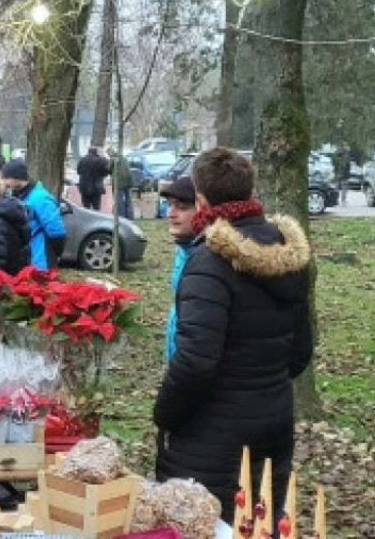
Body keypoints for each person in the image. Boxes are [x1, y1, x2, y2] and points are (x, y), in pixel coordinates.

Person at [153, 147, 313, 523]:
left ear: (202, 198)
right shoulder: (287, 253)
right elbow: (301, 349)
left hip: (213, 434)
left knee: (207, 524)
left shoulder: (208, 262)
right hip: (273, 417)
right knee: (259, 522)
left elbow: (195, 361)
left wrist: (165, 415)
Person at [0, 159, 66, 271]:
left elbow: (56, 232)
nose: (3, 181)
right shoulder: (16, 196)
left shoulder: (40, 198)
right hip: (24, 260)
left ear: (16, 177)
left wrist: (54, 255)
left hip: (40, 261)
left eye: (6, 177)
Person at [159, 176, 199, 363]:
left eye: (182, 207)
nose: (171, 213)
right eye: (169, 205)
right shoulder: (183, 249)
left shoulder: (207, 257)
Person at [76, 147, 111, 211]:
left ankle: (87, 219)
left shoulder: (82, 160)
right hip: (96, 187)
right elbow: (106, 173)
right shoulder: (101, 161)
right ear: (96, 152)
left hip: (84, 187)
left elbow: (78, 172)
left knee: (86, 207)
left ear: (88, 152)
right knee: (96, 207)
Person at [111, 149, 135, 219]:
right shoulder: (124, 158)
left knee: (119, 200)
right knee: (128, 199)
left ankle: (121, 216)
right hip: (128, 180)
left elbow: (108, 168)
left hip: (119, 182)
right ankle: (130, 215)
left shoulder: (113, 159)